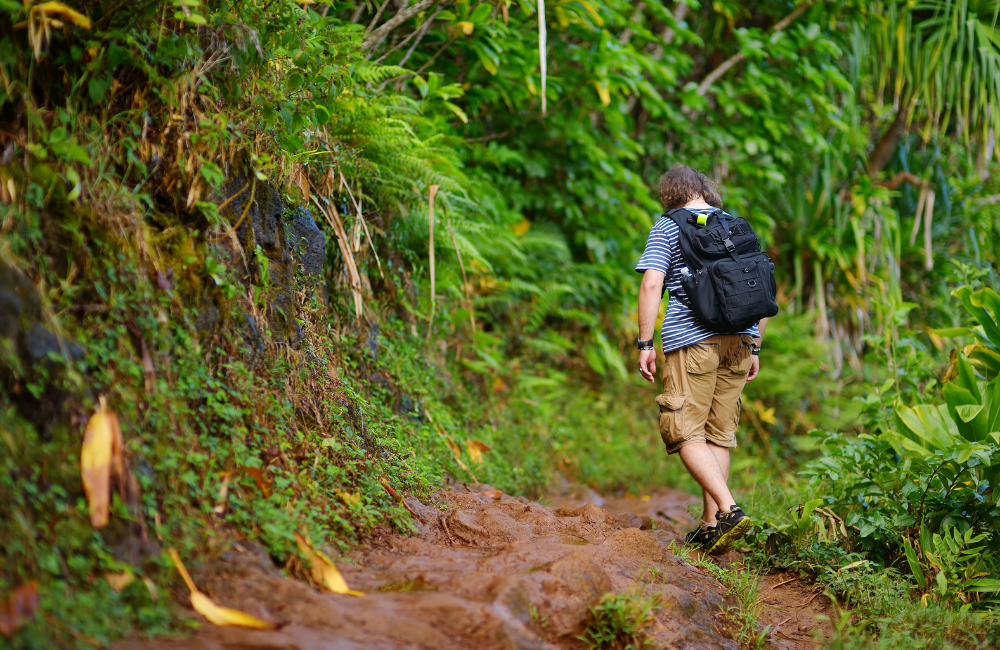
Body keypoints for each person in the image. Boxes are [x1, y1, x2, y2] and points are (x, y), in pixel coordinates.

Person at [634, 165, 768, 555]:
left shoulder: (668, 226)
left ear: (669, 194)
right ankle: (711, 527)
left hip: (692, 342)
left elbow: (651, 282)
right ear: (705, 190)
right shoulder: (733, 225)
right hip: (740, 341)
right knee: (717, 432)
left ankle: (728, 510)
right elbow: (760, 284)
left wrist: (645, 342)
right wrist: (755, 343)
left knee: (683, 429)